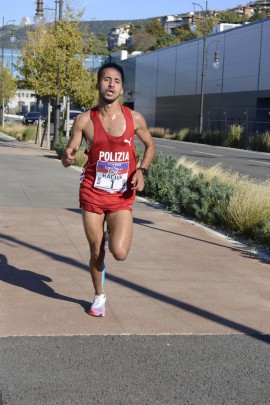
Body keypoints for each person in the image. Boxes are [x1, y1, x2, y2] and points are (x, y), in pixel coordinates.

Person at [61, 62, 156, 317]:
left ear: (122, 88)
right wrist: (67, 157)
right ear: (98, 84)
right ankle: (99, 296)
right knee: (95, 250)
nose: (111, 84)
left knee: (120, 252)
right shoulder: (84, 120)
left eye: (116, 80)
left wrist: (141, 170)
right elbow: (69, 152)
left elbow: (150, 146)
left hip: (121, 196)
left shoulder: (134, 118)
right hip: (92, 192)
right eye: (106, 79)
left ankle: (107, 242)